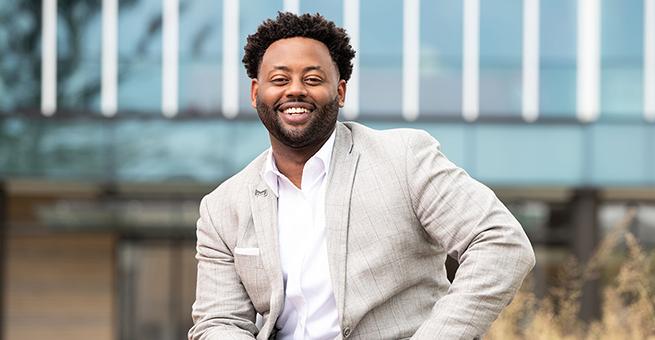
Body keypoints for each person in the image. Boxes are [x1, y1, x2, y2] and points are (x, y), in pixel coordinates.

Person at [189, 12, 535, 340]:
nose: (295, 90)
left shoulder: (404, 159)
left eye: (312, 79)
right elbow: (219, 320)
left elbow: (501, 244)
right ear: (255, 93)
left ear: (340, 92)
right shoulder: (223, 207)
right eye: (279, 79)